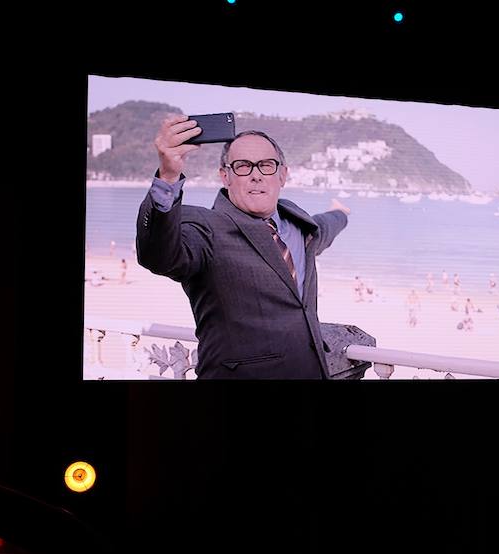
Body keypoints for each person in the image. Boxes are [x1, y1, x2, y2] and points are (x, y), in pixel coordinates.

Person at [136, 117, 349, 379]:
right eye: (243, 166)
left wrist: (341, 213)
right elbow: (159, 256)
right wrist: (167, 177)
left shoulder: (299, 226)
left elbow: (324, 227)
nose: (256, 175)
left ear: (282, 174)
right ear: (225, 176)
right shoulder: (206, 227)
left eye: (266, 165)